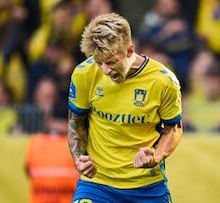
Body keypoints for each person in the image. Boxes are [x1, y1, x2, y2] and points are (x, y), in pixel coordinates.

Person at [67, 13, 183, 202]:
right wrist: (79, 158)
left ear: (130, 50)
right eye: (99, 62)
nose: (105, 70)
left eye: (112, 62)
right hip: (97, 185)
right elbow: (76, 122)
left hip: (147, 187)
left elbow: (173, 129)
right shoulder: (83, 74)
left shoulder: (163, 81)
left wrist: (155, 156)